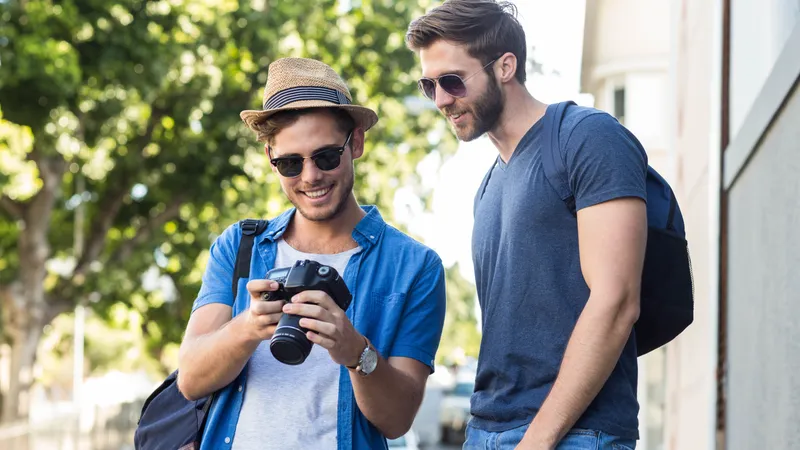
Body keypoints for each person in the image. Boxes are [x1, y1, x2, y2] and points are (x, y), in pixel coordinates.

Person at [406, 1, 647, 449]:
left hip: (574, 435)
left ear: (505, 66)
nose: (440, 99)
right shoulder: (487, 187)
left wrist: (536, 441)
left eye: (452, 81)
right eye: (429, 85)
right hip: (486, 430)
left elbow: (617, 301)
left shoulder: (586, 137)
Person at [176, 57, 447, 450]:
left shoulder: (415, 267)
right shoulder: (239, 246)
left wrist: (355, 351)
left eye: (325, 157)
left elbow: (396, 420)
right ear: (270, 158)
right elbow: (191, 379)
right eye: (289, 163)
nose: (309, 177)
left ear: (355, 143)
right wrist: (249, 326)